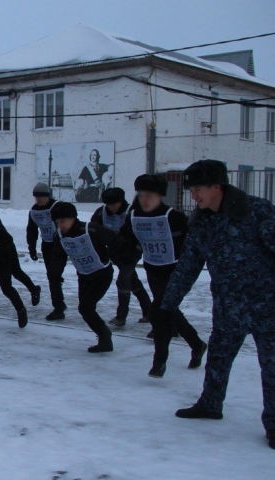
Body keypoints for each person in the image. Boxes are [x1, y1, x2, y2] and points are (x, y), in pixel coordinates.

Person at [148, 161, 275, 450]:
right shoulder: (203, 221)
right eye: (191, 190)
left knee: (271, 367)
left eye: (198, 190)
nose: (194, 196)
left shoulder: (257, 211)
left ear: (218, 187)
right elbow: (188, 266)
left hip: (268, 307)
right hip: (229, 307)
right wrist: (167, 306)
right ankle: (210, 405)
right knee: (217, 359)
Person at [120, 175, 206, 378]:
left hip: (175, 271)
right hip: (153, 269)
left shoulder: (173, 216)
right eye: (141, 195)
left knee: (159, 313)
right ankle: (197, 344)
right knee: (169, 310)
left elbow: (192, 242)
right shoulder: (133, 215)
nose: (144, 200)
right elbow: (127, 238)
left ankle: (159, 362)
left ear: (160, 196)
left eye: (149, 196)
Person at [50, 202, 134, 353]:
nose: (60, 225)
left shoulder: (92, 229)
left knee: (85, 308)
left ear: (73, 218)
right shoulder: (59, 236)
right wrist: (55, 275)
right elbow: (58, 257)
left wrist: (125, 259)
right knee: (86, 309)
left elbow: (116, 241)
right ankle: (104, 336)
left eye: (63, 221)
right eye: (57, 222)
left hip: (102, 275)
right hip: (83, 276)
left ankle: (105, 337)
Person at [91, 187, 152, 326]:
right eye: (109, 205)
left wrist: (136, 247)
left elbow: (140, 233)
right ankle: (149, 311)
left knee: (123, 281)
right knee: (133, 281)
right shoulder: (101, 213)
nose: (112, 208)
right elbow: (95, 231)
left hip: (131, 253)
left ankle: (121, 317)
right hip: (115, 253)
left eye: (115, 204)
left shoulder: (132, 212)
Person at [27, 182, 66, 319]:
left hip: (61, 245)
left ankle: (59, 308)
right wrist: (32, 247)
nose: (38, 199)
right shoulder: (34, 210)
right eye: (36, 196)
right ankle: (59, 306)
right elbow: (31, 229)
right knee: (52, 276)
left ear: (47, 196)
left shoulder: (57, 207)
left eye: (41, 196)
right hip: (47, 245)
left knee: (53, 275)